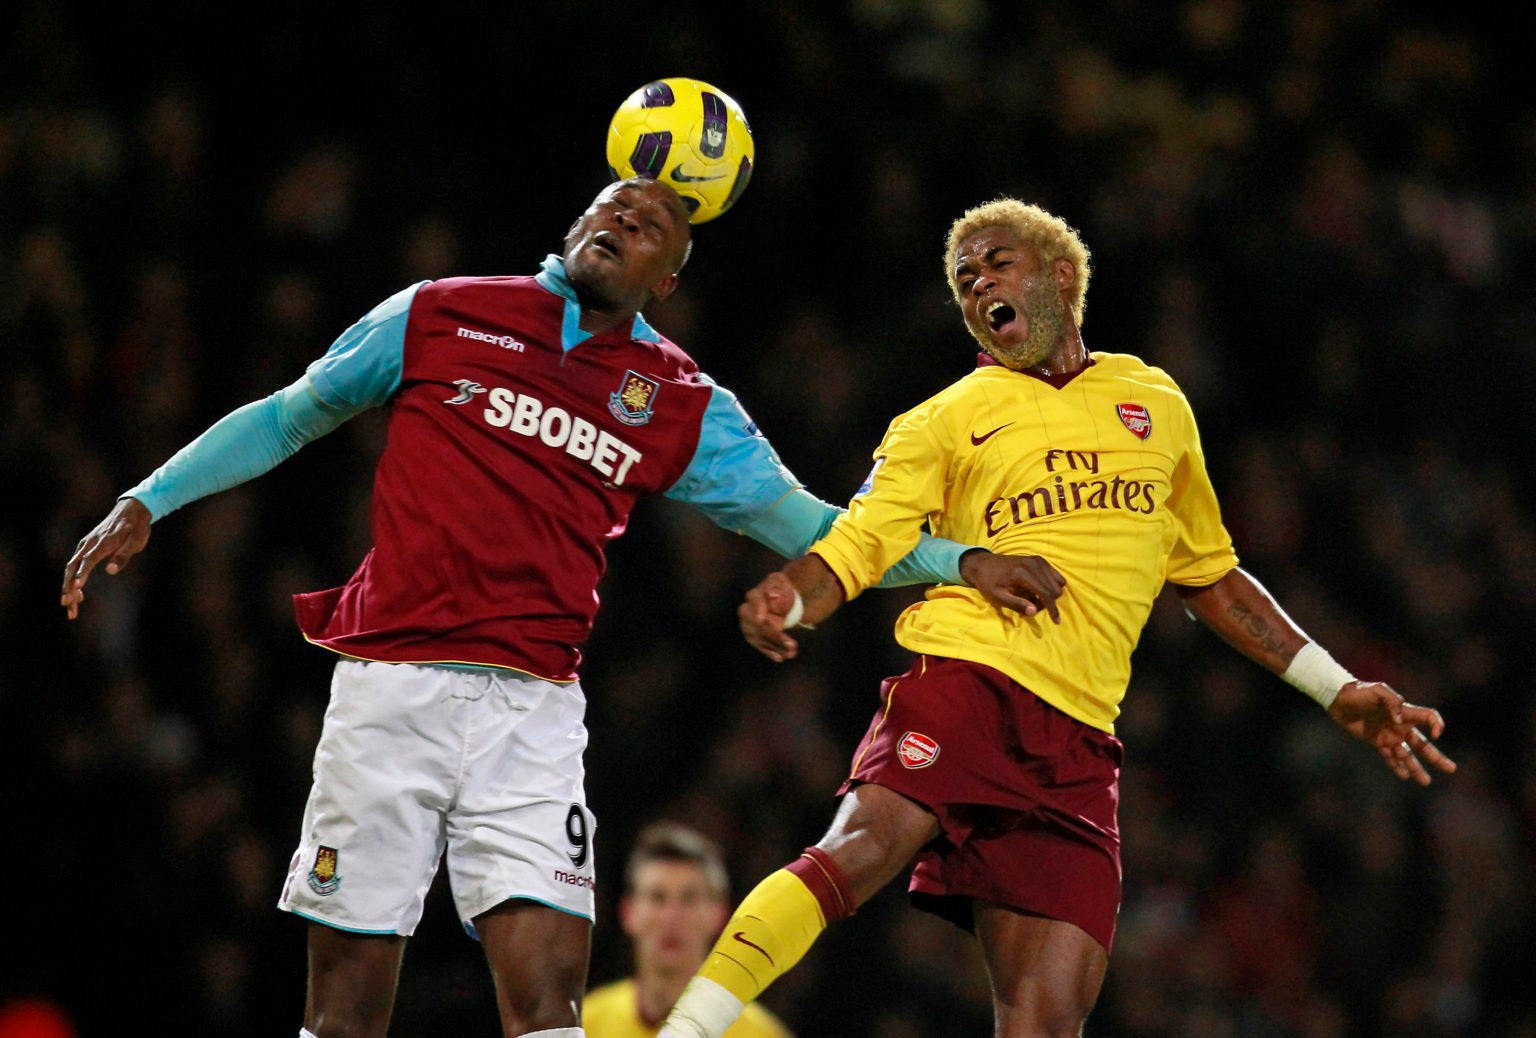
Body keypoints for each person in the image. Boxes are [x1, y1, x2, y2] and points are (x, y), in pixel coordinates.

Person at [58, 177, 1042, 1038]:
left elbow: (810, 526)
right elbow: (290, 414)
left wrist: (961, 561)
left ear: (667, 284)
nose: (622, 215)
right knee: (346, 1008)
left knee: (547, 1006)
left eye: (652, 222)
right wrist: (149, 499)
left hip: (531, 718)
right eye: (610, 205)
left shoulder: (679, 399)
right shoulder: (440, 313)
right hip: (389, 693)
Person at [658, 197, 1459, 1038]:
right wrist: (797, 593)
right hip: (973, 681)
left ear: (1063, 276)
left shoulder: (1155, 402)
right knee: (860, 849)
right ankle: (688, 1029)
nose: (978, 285)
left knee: (1046, 1021)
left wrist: (1336, 692)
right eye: (964, 279)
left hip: (1080, 744)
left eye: (997, 263)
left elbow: (1212, 577)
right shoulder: (944, 420)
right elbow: (861, 541)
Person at [583, 823, 792, 1038]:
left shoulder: (761, 1034)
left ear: (719, 915)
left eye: (689, 898)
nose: (671, 917)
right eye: (657, 897)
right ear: (628, 913)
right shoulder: (587, 1024)